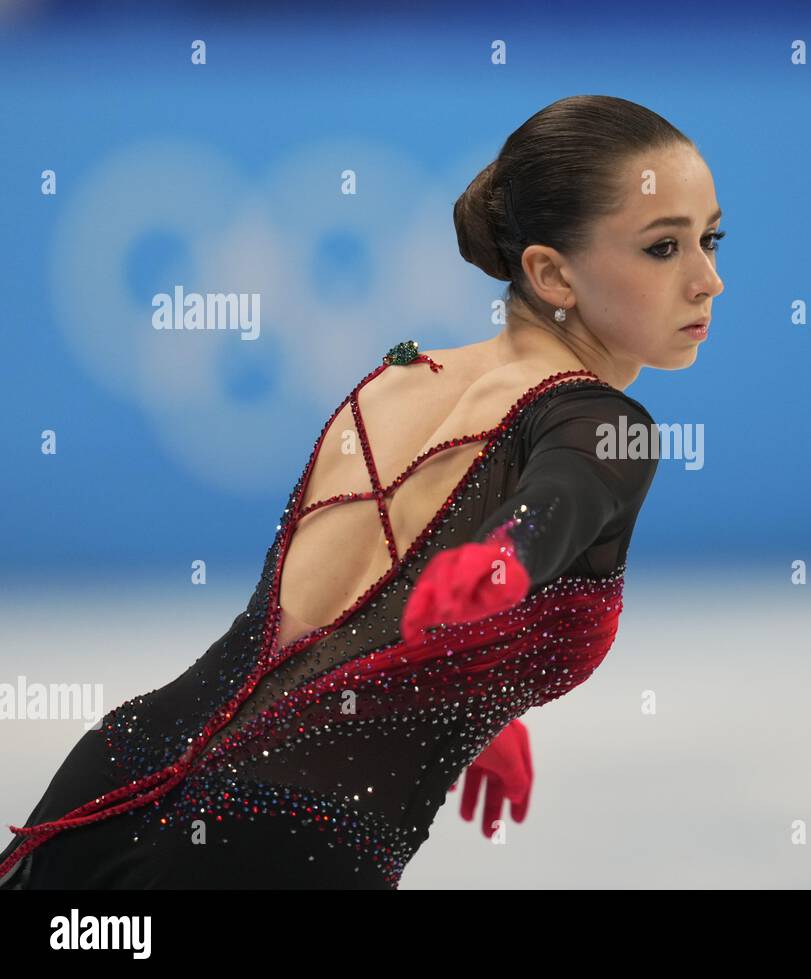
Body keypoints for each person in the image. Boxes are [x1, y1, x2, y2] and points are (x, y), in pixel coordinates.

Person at [0, 94, 724, 889]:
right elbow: (553, 505)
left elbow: (336, 627)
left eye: (710, 240)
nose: (708, 280)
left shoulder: (394, 379)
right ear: (551, 272)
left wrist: (471, 696)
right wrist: (503, 568)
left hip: (115, 772)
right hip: (285, 837)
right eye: (664, 248)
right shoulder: (603, 421)